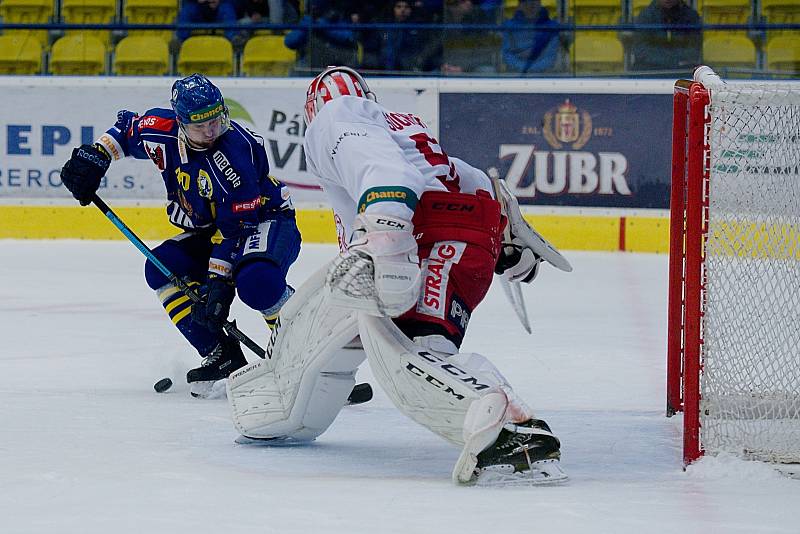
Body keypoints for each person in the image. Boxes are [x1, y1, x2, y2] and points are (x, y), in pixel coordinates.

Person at [226, 66, 570, 486]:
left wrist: (389, 248)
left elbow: (388, 175)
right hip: (463, 236)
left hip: (426, 234)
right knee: (420, 341)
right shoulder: (400, 125)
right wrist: (505, 232)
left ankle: (506, 427)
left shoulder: (335, 118)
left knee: (411, 352)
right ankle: (506, 420)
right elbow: (470, 178)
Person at [59, 74, 301, 398]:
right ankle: (221, 355)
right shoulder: (161, 129)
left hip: (263, 220)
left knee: (255, 281)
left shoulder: (236, 155)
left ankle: (304, 346)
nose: (211, 130)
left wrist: (218, 287)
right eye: (200, 125)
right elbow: (126, 130)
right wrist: (97, 155)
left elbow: (237, 231)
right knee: (160, 267)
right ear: (181, 123)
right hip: (217, 230)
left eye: (216, 120)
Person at [628, 0, 702, 73]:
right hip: (650, 69)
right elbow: (641, 50)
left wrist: (670, 60)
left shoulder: (691, 16)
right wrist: (670, 60)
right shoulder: (645, 15)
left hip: (681, 70)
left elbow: (693, 50)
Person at [502, 0, 563, 74]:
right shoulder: (509, 26)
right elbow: (507, 55)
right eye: (526, 1)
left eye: (535, 1)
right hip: (516, 76)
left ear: (540, 3)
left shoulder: (551, 27)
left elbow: (549, 58)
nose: (531, 5)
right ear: (519, 5)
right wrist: (525, 69)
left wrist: (527, 68)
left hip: (543, 77)